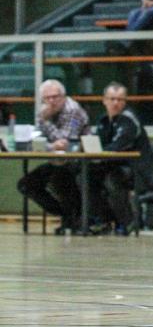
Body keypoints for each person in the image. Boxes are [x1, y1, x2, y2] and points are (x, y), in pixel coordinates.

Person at [16, 80, 90, 235]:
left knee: (59, 177)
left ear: (63, 96)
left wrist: (44, 122)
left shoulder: (73, 110)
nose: (51, 101)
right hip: (56, 160)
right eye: (47, 98)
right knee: (26, 185)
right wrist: (49, 145)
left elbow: (65, 142)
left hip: (78, 160)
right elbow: (35, 142)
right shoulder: (44, 112)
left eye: (55, 97)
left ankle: (74, 217)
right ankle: (66, 214)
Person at [91, 82, 153, 236]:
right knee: (85, 177)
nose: (115, 103)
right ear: (104, 100)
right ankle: (103, 220)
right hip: (113, 166)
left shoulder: (129, 120)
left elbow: (118, 145)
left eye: (120, 100)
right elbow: (96, 141)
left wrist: (99, 153)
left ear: (125, 102)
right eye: (112, 99)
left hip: (137, 169)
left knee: (112, 180)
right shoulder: (103, 121)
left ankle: (127, 221)